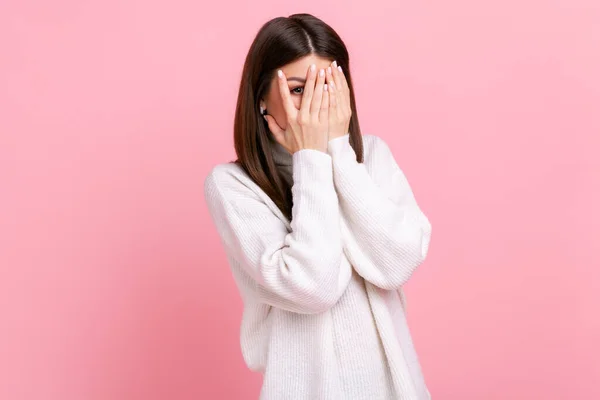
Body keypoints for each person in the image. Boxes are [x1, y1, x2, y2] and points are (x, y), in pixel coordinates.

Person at [204, 13, 433, 400]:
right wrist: (310, 157)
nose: (314, 103)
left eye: (326, 86)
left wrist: (337, 153)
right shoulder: (233, 186)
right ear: (261, 98)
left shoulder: (371, 157)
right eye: (297, 89)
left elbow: (396, 263)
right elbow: (314, 286)